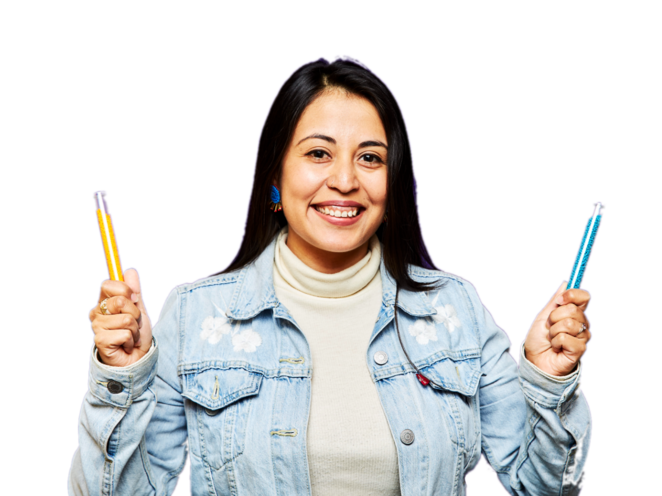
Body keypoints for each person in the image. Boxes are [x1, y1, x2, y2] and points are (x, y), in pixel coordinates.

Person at [70, 55, 594, 495]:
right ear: (275, 177)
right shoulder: (196, 316)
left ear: (393, 187)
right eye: (318, 153)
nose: (344, 180)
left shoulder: (453, 309)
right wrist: (122, 380)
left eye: (370, 158)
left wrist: (549, 380)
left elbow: (544, 487)